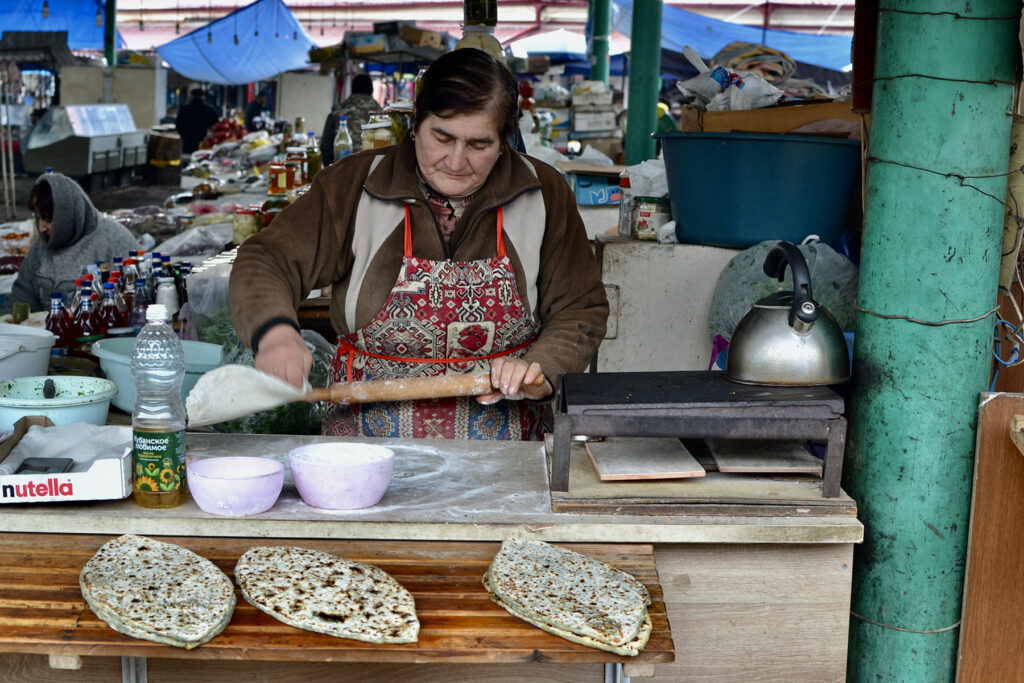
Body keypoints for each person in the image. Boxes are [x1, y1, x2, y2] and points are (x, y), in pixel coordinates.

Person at [229, 48, 608, 440]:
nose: (457, 161)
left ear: (505, 141)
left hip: (506, 453)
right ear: (415, 124)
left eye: (479, 145)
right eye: (442, 137)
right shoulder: (354, 186)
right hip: (366, 450)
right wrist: (274, 332)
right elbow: (268, 258)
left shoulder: (543, 193)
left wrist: (540, 367)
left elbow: (581, 306)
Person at [6, 173, 139, 314]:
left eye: (48, 219)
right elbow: (23, 295)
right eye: (38, 218)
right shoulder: (41, 247)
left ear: (66, 216)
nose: (41, 227)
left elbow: (134, 302)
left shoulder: (114, 240)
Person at [320, 74, 379, 164]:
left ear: (352, 90)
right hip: (376, 171)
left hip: (343, 170)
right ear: (372, 90)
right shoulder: (383, 115)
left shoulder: (337, 113)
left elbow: (325, 148)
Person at [175, 86, 219, 154]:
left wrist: (183, 135)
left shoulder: (185, 109)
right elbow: (216, 126)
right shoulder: (210, 110)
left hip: (188, 142)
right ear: (203, 97)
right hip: (205, 142)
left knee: (188, 160)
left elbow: (178, 125)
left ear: (192, 96)